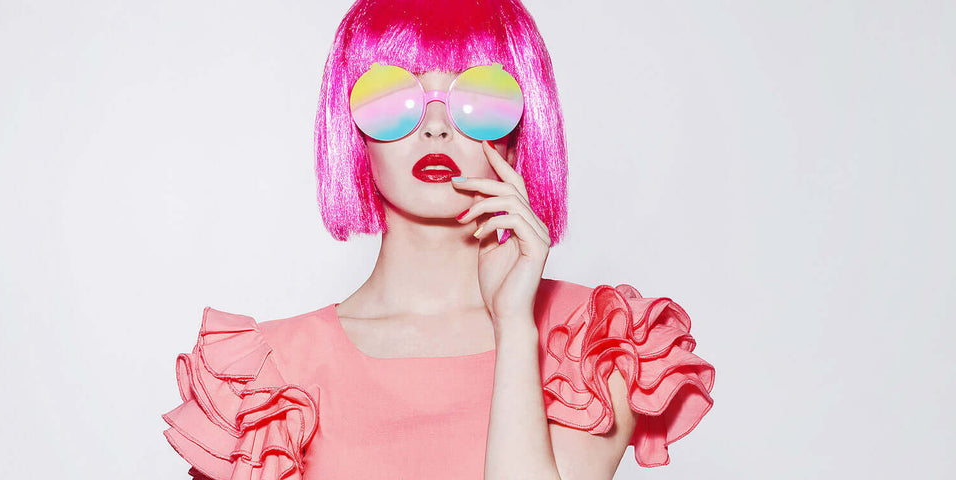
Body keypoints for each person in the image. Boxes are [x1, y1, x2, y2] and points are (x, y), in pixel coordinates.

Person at [161, 1, 716, 479]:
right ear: (350, 129)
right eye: (391, 99)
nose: (435, 128)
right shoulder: (269, 380)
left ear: (523, 127)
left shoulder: (594, 344)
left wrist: (516, 328)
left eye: (477, 100)